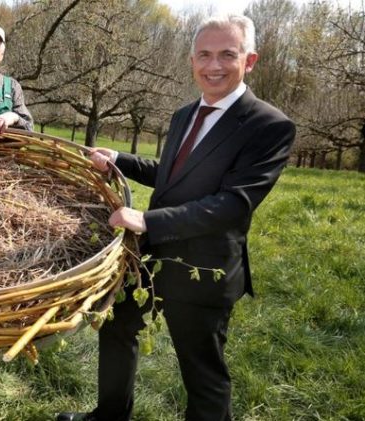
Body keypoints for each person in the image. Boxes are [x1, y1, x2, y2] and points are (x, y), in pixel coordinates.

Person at [57, 13, 295, 421]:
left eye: (227, 54)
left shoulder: (269, 125)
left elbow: (234, 204)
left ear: (250, 60)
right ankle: (110, 416)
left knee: (202, 371)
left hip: (204, 268)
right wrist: (119, 159)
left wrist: (148, 221)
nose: (213, 65)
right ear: (192, 60)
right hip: (151, 258)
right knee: (117, 327)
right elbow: (171, 172)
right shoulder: (184, 114)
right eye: (204, 55)